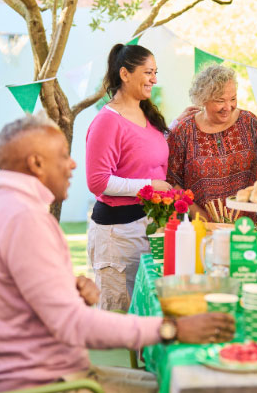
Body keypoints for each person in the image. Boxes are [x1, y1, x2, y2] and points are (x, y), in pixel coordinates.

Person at [0, 115, 235, 393]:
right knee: (194, 384)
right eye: (62, 155)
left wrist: (68, 291)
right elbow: (73, 324)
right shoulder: (25, 220)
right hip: (46, 383)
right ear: (36, 163)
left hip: (40, 373)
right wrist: (172, 329)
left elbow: (17, 299)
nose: (72, 164)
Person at [85, 43, 171, 313]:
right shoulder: (108, 121)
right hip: (118, 234)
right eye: (148, 72)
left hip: (149, 229)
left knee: (146, 312)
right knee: (118, 316)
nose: (154, 79)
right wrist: (150, 187)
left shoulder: (147, 115)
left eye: (155, 72)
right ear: (125, 74)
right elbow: (98, 182)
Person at [167, 64, 257, 219]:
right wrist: (200, 216)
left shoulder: (249, 123)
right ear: (203, 99)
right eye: (220, 101)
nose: (228, 107)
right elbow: (171, 181)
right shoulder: (185, 130)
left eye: (233, 99)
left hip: (247, 226)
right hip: (202, 225)